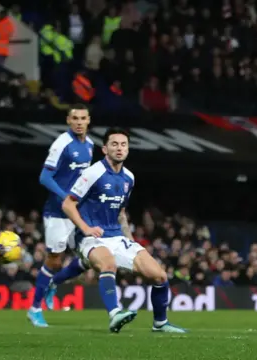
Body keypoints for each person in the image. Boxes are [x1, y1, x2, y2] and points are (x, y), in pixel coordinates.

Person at [61, 127, 186, 333]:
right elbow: (68, 204)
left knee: (160, 276)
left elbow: (121, 213)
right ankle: (114, 313)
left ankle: (160, 323)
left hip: (116, 236)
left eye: (123, 144)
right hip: (90, 236)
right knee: (108, 264)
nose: (119, 148)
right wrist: (86, 228)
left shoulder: (129, 178)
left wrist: (131, 241)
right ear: (104, 149)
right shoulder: (93, 172)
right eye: (114, 144)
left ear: (128, 149)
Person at [28, 104, 94, 327]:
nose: (78, 122)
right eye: (74, 118)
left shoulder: (91, 145)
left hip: (77, 211)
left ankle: (53, 283)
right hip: (57, 212)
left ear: (88, 120)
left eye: (82, 118)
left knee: (90, 255)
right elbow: (44, 177)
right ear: (68, 120)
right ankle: (34, 309)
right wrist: (66, 196)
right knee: (54, 259)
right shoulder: (62, 143)